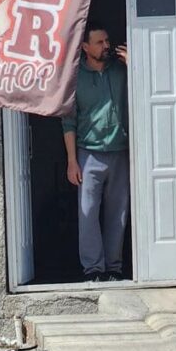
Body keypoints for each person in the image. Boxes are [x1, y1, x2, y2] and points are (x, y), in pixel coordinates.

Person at [62, 20, 130, 283]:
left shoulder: (121, 70)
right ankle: (93, 269)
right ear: (85, 47)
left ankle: (114, 267)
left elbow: (151, 92)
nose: (106, 46)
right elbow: (68, 121)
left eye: (107, 41)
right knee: (88, 212)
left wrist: (135, 65)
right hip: (88, 153)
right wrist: (72, 161)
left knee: (118, 212)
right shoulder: (75, 77)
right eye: (99, 42)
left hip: (120, 150)